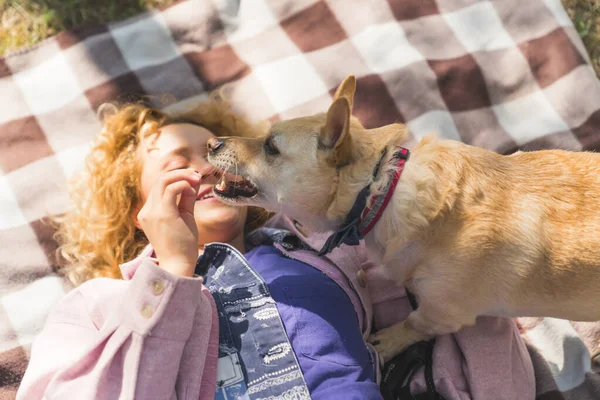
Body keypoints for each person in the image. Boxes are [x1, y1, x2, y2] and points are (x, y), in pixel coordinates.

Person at [17, 95, 535, 400]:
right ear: (136, 213)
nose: (210, 165)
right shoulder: (99, 307)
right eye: (178, 160)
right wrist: (171, 273)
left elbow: (458, 308)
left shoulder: (328, 252)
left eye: (215, 152)